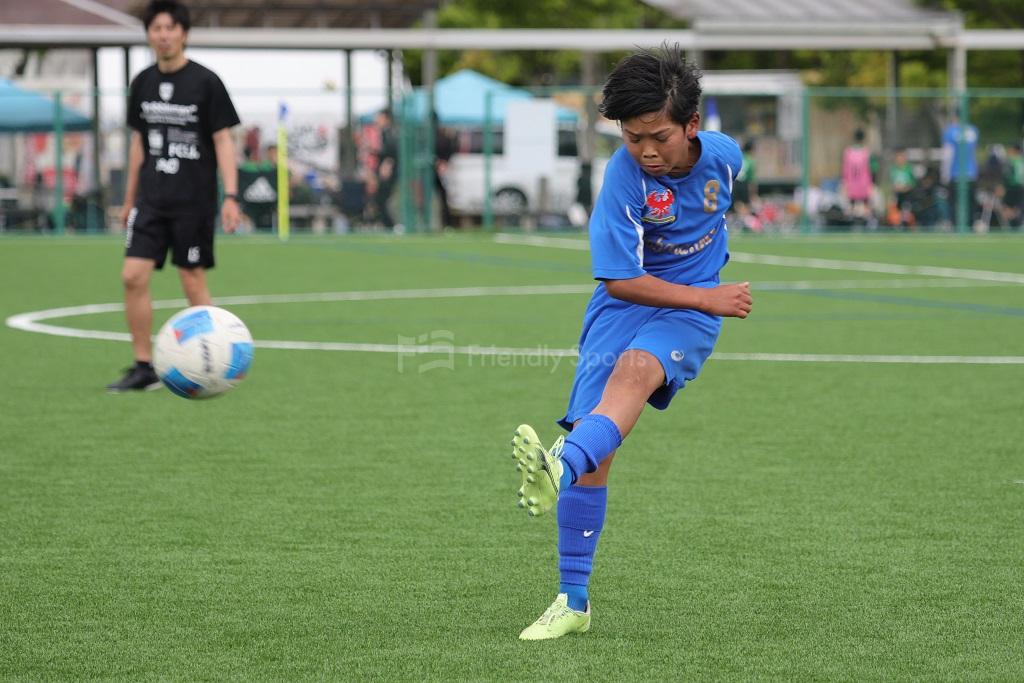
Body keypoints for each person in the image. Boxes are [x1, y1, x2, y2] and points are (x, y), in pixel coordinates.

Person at [509, 44, 752, 641]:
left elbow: (720, 190)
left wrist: (705, 293)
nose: (645, 150)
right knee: (596, 443)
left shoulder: (724, 156)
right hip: (624, 304)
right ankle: (573, 603)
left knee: (636, 374)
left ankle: (559, 466)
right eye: (631, 136)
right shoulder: (623, 176)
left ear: (692, 125)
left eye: (658, 136)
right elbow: (619, 279)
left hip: (688, 313)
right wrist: (709, 295)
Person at [106, 0, 241, 392]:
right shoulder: (142, 82)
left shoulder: (206, 82)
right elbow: (139, 144)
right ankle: (143, 366)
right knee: (132, 276)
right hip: (151, 199)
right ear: (149, 34)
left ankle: (216, 363)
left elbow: (223, 141)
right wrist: (129, 199)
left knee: (192, 280)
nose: (163, 35)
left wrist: (231, 196)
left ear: (183, 33)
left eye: (170, 28)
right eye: (156, 28)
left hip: (192, 200)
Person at [941, 111, 979, 229]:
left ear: (955, 116)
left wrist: (944, 173)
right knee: (970, 202)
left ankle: (954, 225)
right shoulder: (973, 130)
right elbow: (974, 153)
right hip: (971, 172)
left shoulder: (950, 131)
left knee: (952, 202)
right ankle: (971, 225)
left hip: (955, 172)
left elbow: (947, 155)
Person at [842, 128, 874, 222]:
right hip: (864, 184)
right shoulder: (866, 152)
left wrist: (845, 182)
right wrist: (872, 182)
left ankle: (851, 223)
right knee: (866, 205)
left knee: (851, 205)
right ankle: (868, 223)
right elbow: (872, 168)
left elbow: (845, 170)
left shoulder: (848, 152)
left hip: (852, 184)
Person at [373, 109, 398, 230]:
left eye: (380, 118)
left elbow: (392, 152)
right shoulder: (385, 133)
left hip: (391, 173)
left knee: (382, 198)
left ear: (387, 119)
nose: (377, 121)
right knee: (380, 199)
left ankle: (392, 225)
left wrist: (388, 164)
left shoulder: (390, 133)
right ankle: (388, 225)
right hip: (387, 171)